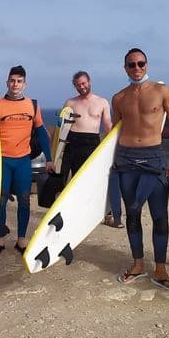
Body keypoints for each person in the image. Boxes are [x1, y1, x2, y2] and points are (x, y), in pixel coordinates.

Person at [111, 48, 169, 291]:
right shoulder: (119, 97)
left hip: (152, 157)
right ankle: (137, 265)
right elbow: (112, 133)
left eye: (140, 63)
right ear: (125, 67)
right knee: (132, 214)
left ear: (147, 65)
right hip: (126, 160)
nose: (136, 68)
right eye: (131, 64)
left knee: (160, 216)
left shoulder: (160, 91)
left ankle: (161, 269)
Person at [0, 65, 53, 255]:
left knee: (25, 200)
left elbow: (42, 134)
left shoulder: (32, 106)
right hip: (2, 161)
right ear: (7, 82)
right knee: (0, 201)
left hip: (22, 161)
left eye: (19, 81)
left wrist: (49, 159)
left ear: (24, 84)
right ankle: (1, 240)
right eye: (12, 80)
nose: (15, 84)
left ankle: (21, 240)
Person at [61, 71, 119, 227]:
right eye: (78, 84)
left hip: (92, 142)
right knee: (74, 181)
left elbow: (108, 125)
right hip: (73, 142)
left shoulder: (102, 102)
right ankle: (74, 214)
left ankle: (107, 215)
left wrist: (116, 142)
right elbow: (63, 127)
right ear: (75, 86)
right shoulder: (70, 103)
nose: (82, 87)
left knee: (98, 179)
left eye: (84, 83)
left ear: (89, 82)